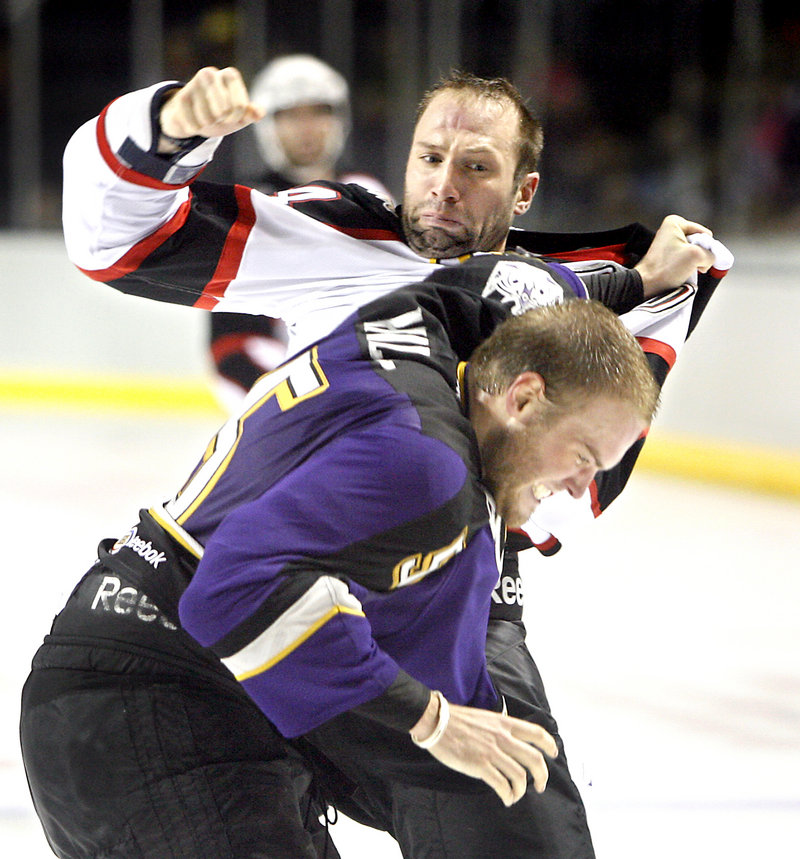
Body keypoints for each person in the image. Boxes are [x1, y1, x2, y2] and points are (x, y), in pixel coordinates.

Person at [44, 65, 731, 857]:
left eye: (476, 166)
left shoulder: (560, 312)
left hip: (447, 597)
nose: (443, 186)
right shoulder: (340, 239)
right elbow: (118, 240)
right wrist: (163, 127)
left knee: (523, 828)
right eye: (429, 158)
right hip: (273, 580)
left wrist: (647, 292)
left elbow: (571, 482)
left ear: (524, 191)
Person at [209, 54, 392, 410]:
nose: (307, 126)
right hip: (291, 398)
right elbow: (231, 348)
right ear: (267, 126)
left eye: (318, 112)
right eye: (290, 114)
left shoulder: (370, 192)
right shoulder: (251, 207)